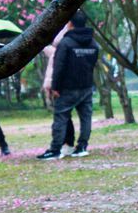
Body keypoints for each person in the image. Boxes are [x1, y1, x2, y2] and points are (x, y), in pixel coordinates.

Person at [38, 11, 99, 160]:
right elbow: (92, 65)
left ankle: (55, 150)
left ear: (70, 24)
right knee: (86, 118)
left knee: (61, 118)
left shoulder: (66, 43)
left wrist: (55, 87)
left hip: (67, 88)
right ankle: (82, 147)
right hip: (86, 87)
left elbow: (59, 67)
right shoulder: (93, 43)